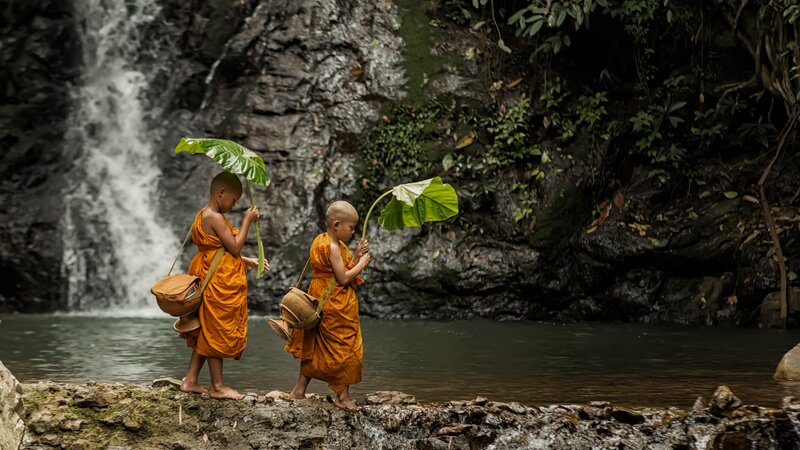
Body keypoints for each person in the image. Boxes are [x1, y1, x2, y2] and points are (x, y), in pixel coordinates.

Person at [178, 171, 269, 400]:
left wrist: (247, 261)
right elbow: (235, 247)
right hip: (215, 278)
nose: (233, 204)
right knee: (215, 329)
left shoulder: (203, 214)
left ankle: (190, 380)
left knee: (206, 328)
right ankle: (218, 386)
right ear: (221, 193)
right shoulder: (215, 218)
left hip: (206, 269)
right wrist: (248, 221)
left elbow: (220, 248)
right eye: (233, 200)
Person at [285, 200, 371, 409]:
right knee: (346, 345)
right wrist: (361, 264)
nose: (353, 232)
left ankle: (298, 390)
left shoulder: (320, 240)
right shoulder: (333, 247)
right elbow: (342, 278)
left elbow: (335, 270)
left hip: (319, 297)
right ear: (336, 224)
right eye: (351, 228)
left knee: (314, 346)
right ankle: (343, 396)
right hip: (335, 303)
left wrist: (356, 255)